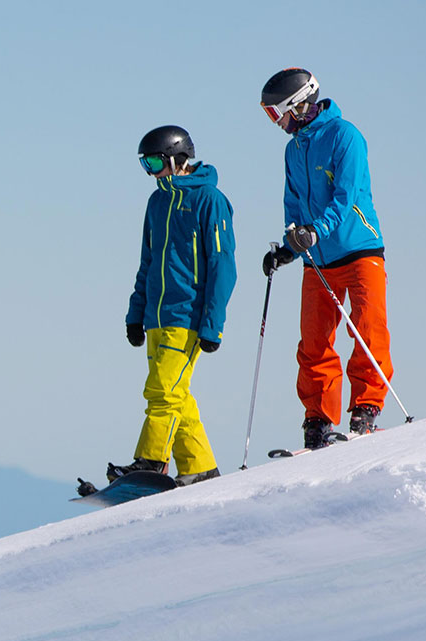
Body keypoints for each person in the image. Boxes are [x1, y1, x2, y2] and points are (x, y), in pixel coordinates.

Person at [258, 67, 393, 450]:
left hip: (358, 248)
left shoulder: (345, 136)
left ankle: (365, 409)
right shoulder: (294, 148)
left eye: (276, 113)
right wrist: (289, 244)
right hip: (317, 260)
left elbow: (345, 197)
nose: (276, 122)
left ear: (297, 105)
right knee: (314, 344)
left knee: (368, 332)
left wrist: (315, 231)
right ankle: (318, 421)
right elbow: (293, 202)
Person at [112, 125, 236, 487]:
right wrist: (136, 315)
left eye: (153, 162)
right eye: (144, 165)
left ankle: (151, 462)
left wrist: (213, 324)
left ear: (176, 159)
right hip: (157, 317)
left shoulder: (209, 200)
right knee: (177, 394)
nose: (150, 172)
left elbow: (222, 265)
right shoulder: (158, 202)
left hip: (187, 314)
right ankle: (200, 467)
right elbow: (147, 263)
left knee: (161, 392)